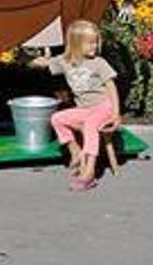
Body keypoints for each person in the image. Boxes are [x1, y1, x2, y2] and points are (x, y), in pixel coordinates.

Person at [33, 19, 120, 190]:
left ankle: (89, 172)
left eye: (96, 42)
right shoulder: (65, 61)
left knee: (90, 125)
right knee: (57, 118)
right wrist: (34, 60)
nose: (94, 46)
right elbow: (47, 63)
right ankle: (76, 152)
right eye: (90, 43)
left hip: (104, 107)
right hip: (85, 109)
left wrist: (116, 114)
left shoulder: (99, 63)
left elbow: (112, 87)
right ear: (75, 44)